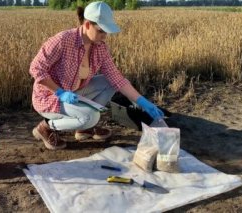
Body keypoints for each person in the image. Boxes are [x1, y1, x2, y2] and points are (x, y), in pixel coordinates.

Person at [29, 1, 164, 150]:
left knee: (109, 82)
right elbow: (36, 68)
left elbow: (117, 79)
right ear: (87, 25)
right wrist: (59, 92)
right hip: (50, 97)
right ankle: (46, 127)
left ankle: (84, 128)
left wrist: (143, 102)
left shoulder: (99, 47)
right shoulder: (63, 40)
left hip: (74, 93)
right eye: (101, 31)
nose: (104, 36)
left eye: (106, 32)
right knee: (91, 117)